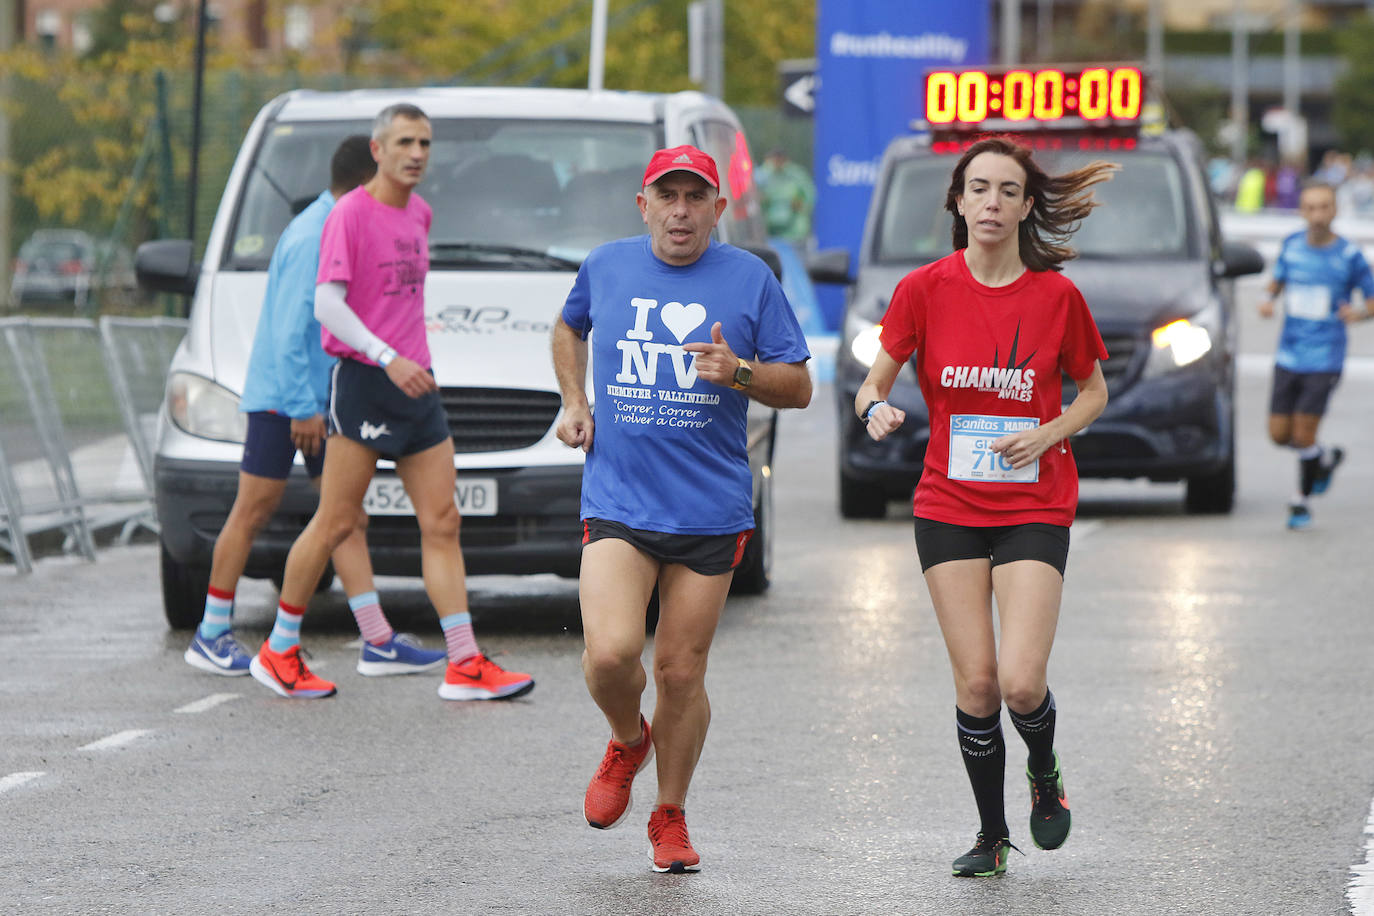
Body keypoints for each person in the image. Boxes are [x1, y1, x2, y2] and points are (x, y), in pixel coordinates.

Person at [854, 136, 1112, 877]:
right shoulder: (923, 290)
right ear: (958, 203)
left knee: (1022, 681)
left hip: (1034, 500)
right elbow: (875, 382)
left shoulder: (1056, 297)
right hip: (948, 502)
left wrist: (1049, 432)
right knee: (977, 682)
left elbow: (1093, 392)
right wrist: (874, 410)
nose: (991, 202)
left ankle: (1043, 768)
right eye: (978, 189)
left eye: (1007, 191)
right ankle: (993, 836)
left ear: (1028, 206)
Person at [551, 145, 812, 873]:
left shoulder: (750, 279)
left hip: (709, 509)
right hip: (620, 499)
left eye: (696, 197)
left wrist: (742, 372)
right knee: (609, 656)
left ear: (718, 209)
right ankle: (628, 740)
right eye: (667, 195)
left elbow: (798, 387)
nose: (681, 210)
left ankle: (669, 812)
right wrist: (575, 401)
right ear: (644, 205)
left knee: (679, 673)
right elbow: (568, 327)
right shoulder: (607, 265)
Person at [249, 102, 534, 701]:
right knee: (335, 521)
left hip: (417, 387)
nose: (417, 154)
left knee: (443, 520)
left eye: (425, 143)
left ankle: (463, 662)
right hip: (367, 382)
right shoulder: (349, 214)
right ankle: (278, 650)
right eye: (405, 142)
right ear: (377, 150)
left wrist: (412, 361)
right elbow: (327, 305)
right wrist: (387, 357)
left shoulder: (421, 214)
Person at [184, 135, 446, 680]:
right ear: (363, 180)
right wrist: (303, 407)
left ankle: (377, 639)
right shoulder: (318, 232)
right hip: (287, 401)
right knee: (254, 509)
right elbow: (289, 329)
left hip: (320, 400)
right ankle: (210, 632)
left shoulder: (337, 222)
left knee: (346, 516)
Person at [1258, 179, 1374, 530]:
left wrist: (1360, 314)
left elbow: (1371, 300)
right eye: (1311, 208)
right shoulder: (1291, 246)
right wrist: (1268, 300)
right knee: (1280, 434)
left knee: (1304, 433)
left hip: (1325, 357)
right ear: (1301, 211)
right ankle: (1324, 458)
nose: (1318, 215)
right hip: (1288, 354)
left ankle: (1300, 502)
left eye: (1324, 207)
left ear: (1335, 210)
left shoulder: (1350, 256)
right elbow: (1277, 282)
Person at [756, 148, 816, 242]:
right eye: (775, 160)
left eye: (780, 160)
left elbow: (809, 197)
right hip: (769, 232)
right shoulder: (762, 175)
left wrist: (800, 204)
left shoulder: (796, 175)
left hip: (794, 233)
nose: (778, 163)